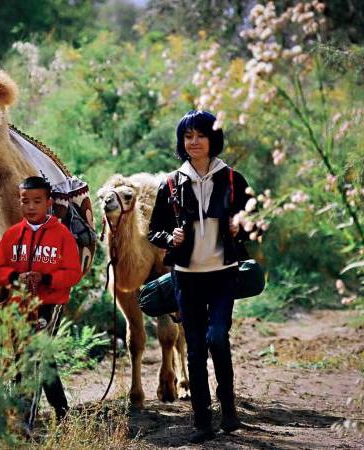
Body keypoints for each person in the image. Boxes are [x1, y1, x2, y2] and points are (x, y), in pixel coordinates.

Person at [147, 110, 253, 443]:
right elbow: (154, 231)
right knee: (194, 348)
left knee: (217, 338)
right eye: (187, 137)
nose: (193, 142)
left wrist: (241, 226)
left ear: (213, 139)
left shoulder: (234, 179)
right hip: (186, 277)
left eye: (200, 136)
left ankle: (230, 409)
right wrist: (170, 238)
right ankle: (202, 420)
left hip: (224, 275)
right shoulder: (170, 183)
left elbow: (257, 222)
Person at [0, 175, 82, 432]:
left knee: (31, 357)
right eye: (25, 201)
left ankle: (22, 420)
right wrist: (16, 278)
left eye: (37, 201)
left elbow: (74, 273)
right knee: (40, 358)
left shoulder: (62, 235)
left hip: (49, 305)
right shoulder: (12, 235)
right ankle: (62, 411)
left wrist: (47, 277)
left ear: (49, 202)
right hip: (20, 307)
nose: (30, 207)